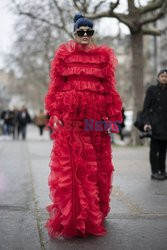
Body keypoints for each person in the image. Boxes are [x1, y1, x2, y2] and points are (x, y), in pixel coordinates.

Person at [45, 14, 122, 239]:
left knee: (95, 166)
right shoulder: (64, 56)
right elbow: (56, 88)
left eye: (90, 32)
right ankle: (75, 216)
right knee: (74, 168)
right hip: (72, 121)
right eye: (81, 32)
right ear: (74, 33)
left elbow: (109, 90)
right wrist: (56, 112)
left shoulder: (103, 58)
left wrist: (112, 117)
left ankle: (93, 212)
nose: (86, 36)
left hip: (95, 122)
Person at [143, 69, 167, 180]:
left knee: (163, 150)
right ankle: (154, 171)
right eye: (162, 76)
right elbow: (146, 108)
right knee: (154, 150)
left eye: (166, 77)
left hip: (165, 126)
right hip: (154, 125)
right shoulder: (152, 90)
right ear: (158, 78)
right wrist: (147, 122)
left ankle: (162, 171)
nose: (164, 78)